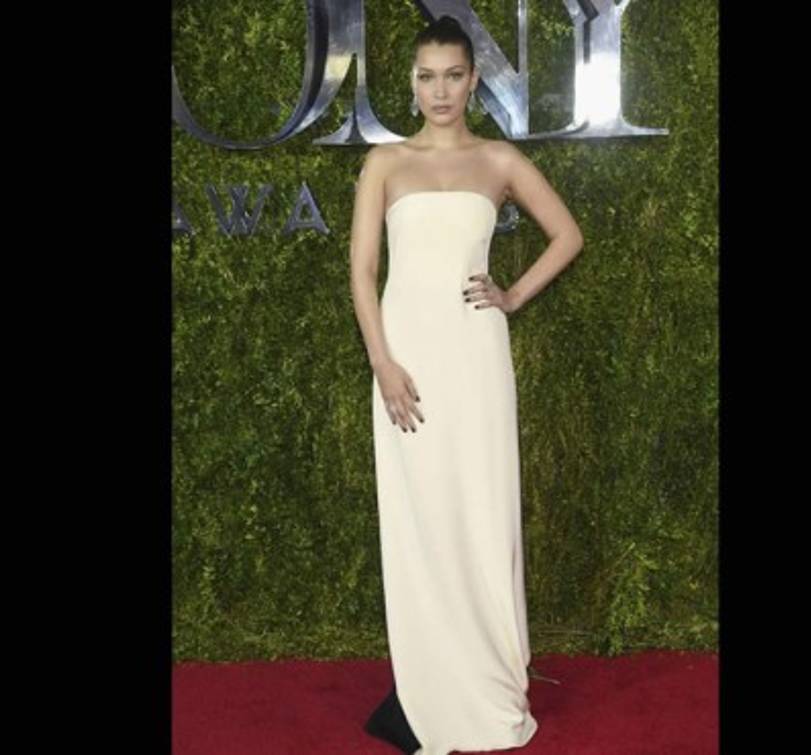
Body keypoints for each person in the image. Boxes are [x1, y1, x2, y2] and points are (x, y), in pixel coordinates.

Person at [350, 14, 584, 755]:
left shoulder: (499, 158)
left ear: (474, 80)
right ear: (412, 83)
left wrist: (511, 295)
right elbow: (361, 271)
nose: (440, 89)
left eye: (454, 74)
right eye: (427, 76)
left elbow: (568, 235)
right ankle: (427, 685)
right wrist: (382, 362)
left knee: (480, 513)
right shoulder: (384, 163)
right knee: (420, 519)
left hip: (476, 359)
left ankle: (483, 678)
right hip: (407, 364)